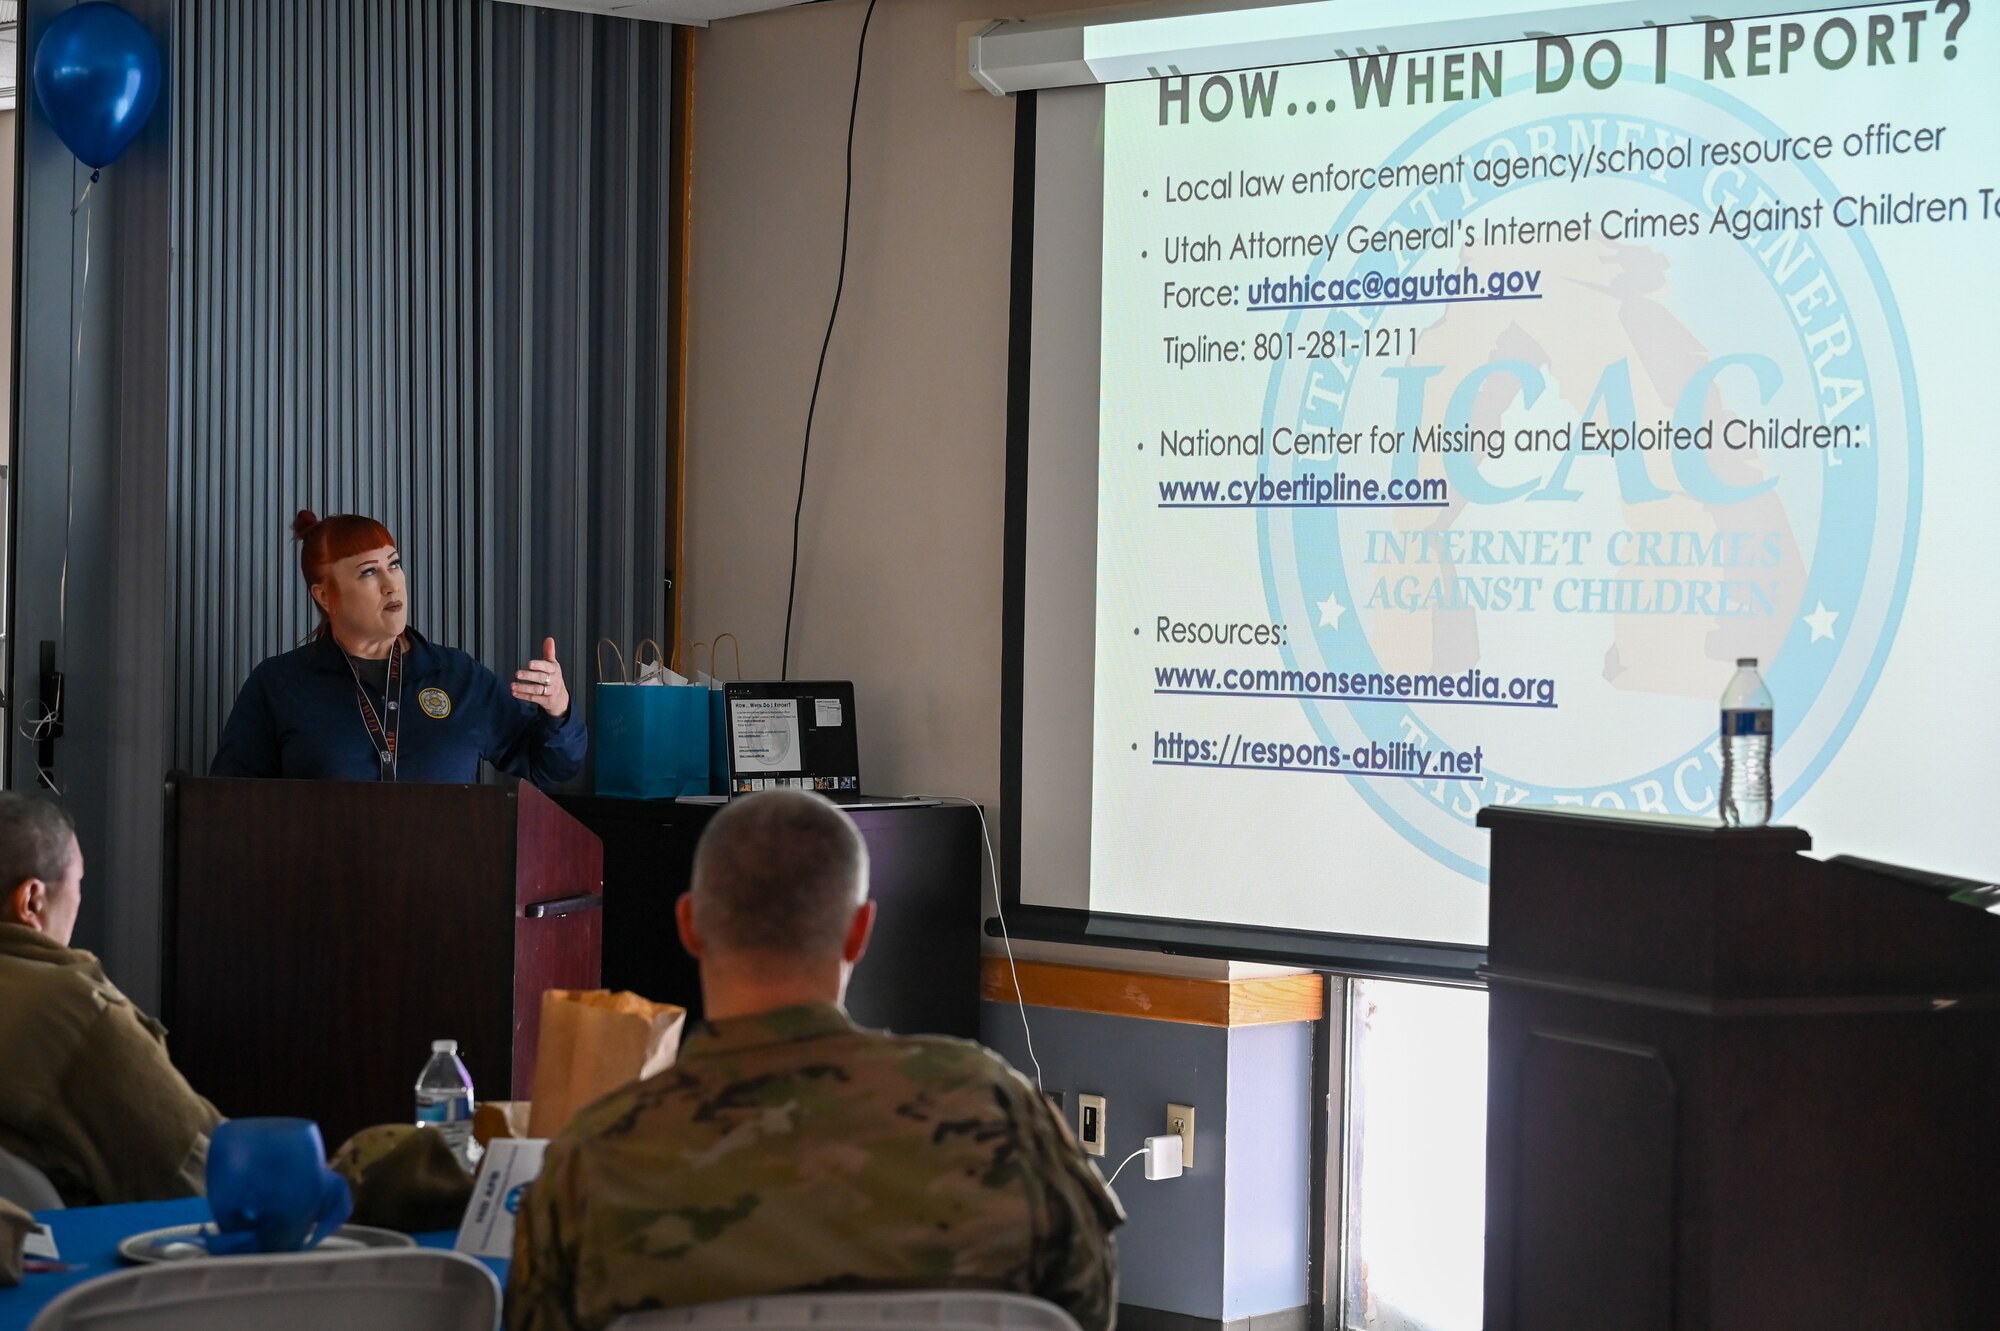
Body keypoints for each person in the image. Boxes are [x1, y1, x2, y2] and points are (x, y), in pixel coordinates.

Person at [506, 791, 1124, 1331]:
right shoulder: (997, 1111)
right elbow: (1085, 1308)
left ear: (690, 926)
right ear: (860, 931)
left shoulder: (595, 1160)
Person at [211, 510, 585, 785]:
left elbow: (551, 768)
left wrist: (557, 711)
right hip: (326, 887)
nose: (392, 584)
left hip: (446, 887)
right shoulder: (279, 684)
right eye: (369, 572)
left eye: (394, 564)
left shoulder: (457, 677)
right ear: (325, 596)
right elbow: (231, 803)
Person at [0, 794, 224, 1205]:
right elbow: (188, 1170)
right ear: (33, 901)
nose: (79, 901)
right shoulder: (74, 1011)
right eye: (78, 884)